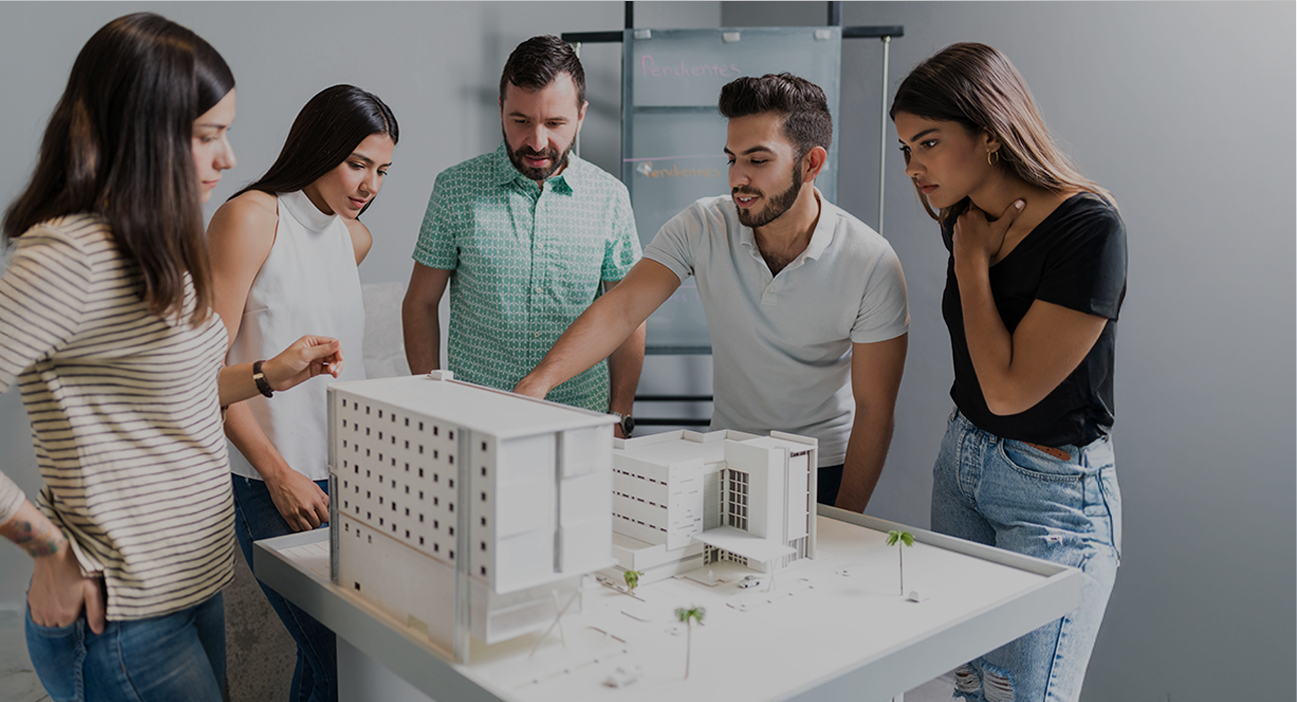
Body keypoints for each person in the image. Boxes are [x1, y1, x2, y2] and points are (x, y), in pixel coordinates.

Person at [0, 14, 345, 702]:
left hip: (192, 589)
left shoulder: (155, 245)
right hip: (123, 618)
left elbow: (164, 393)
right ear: (139, 134)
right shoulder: (70, 260)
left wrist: (267, 375)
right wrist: (49, 549)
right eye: (207, 136)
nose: (229, 158)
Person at [514, 73, 909, 511]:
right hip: (725, 458)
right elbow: (623, 309)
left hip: (822, 468)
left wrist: (845, 516)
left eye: (758, 161)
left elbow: (875, 410)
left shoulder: (871, 262)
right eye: (732, 159)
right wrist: (537, 385)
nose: (737, 178)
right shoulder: (702, 224)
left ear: (811, 163)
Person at [893, 43, 1127, 702]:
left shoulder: (1090, 228)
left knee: (1021, 698)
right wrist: (968, 249)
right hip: (961, 464)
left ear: (990, 134)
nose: (914, 167)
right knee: (965, 690)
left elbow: (1009, 386)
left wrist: (972, 268)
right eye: (906, 149)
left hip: (1053, 493)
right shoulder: (965, 219)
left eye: (929, 143)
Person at [206, 84, 398, 702]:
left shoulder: (353, 238)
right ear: (319, 147)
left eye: (383, 171)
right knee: (338, 662)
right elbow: (201, 378)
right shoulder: (250, 217)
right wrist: (278, 472)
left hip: (354, 479)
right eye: (358, 164)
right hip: (272, 482)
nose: (370, 184)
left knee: (337, 664)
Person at [402, 35, 644, 429]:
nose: (537, 141)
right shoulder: (455, 188)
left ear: (581, 115)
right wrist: (431, 405)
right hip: (474, 416)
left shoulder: (610, 198)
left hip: (579, 418)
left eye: (555, 123)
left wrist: (620, 412)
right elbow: (420, 303)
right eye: (521, 121)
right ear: (500, 109)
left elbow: (628, 313)